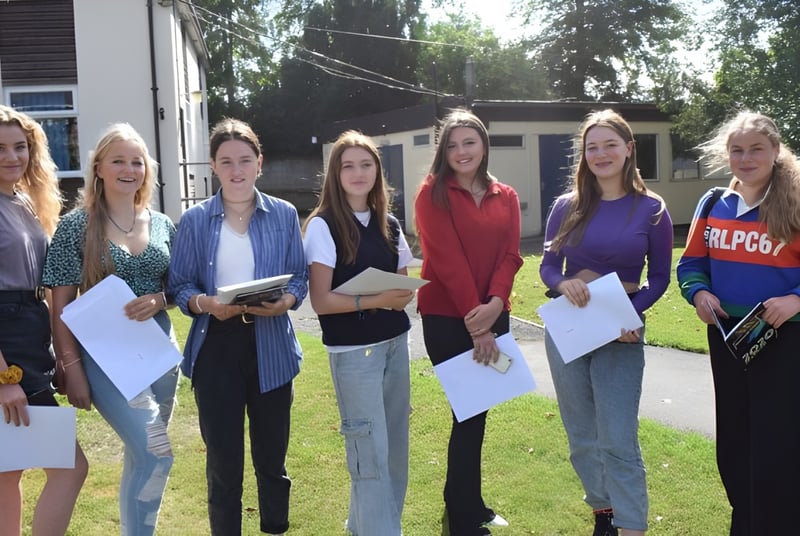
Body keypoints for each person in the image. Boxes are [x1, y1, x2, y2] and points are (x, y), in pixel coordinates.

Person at [167, 117, 307, 536]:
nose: (236, 170)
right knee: (224, 462)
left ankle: (275, 527)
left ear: (259, 163)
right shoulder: (194, 221)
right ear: (213, 166)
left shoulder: (283, 214)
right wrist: (205, 303)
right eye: (226, 162)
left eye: (245, 160)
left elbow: (298, 276)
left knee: (271, 459)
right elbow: (180, 286)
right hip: (216, 346)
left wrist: (286, 300)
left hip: (271, 344)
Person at [539, 109, 673, 536]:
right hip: (569, 327)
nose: (601, 154)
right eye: (592, 147)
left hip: (621, 329)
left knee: (616, 437)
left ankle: (631, 524)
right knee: (581, 435)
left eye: (610, 144)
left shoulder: (652, 210)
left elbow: (660, 277)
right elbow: (547, 266)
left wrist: (631, 314)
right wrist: (562, 285)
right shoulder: (566, 205)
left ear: (629, 149)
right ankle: (604, 514)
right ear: (584, 154)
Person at [43, 123, 179, 536]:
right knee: (157, 452)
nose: (128, 168)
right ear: (98, 168)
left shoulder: (162, 224)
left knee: (144, 456)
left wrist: (160, 299)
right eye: (117, 160)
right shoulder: (75, 227)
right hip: (105, 359)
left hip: (160, 354)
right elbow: (59, 305)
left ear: (146, 170)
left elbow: (179, 287)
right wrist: (72, 368)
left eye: (136, 161)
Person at [676, 111, 800, 535]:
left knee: (778, 442)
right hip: (728, 336)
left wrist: (794, 300)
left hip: (785, 339)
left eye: (756, 150)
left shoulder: (796, 201)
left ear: (775, 151)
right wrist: (699, 293)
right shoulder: (713, 203)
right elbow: (691, 264)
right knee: (734, 441)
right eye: (737, 150)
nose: (746, 158)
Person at [414, 109, 523, 536]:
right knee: (468, 412)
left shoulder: (506, 195)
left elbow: (511, 256)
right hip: (446, 317)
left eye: (469, 143)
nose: (461, 152)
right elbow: (446, 261)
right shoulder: (431, 194)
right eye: (453, 145)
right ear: (444, 151)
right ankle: (462, 515)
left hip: (494, 315)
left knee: (478, 413)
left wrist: (495, 304)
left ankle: (467, 500)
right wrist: (477, 323)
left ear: (483, 145)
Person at [303, 130, 415, 536]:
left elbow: (403, 287)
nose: (357, 172)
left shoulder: (390, 224)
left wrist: (394, 297)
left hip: (395, 347)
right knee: (369, 453)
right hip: (355, 355)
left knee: (394, 451)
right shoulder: (323, 226)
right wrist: (380, 299)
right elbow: (321, 301)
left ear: (377, 171)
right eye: (347, 165)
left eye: (366, 164)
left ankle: (367, 528)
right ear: (335, 173)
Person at [0, 105, 88, 536]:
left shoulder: (22, 201)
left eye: (20, 147)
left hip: (29, 333)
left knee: (6, 472)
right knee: (70, 468)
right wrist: (4, 376)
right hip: (8, 345)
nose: (11, 157)